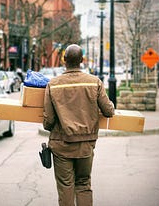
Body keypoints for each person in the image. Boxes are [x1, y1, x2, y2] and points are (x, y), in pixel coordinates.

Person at [43, 44, 115, 206]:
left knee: (65, 186)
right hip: (86, 145)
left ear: (64, 60)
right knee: (83, 184)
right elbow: (109, 111)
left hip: (61, 145)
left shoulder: (53, 84)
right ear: (82, 61)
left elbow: (48, 120)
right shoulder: (94, 82)